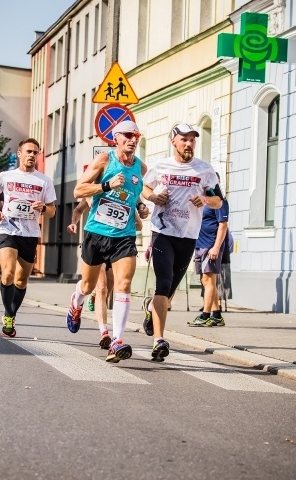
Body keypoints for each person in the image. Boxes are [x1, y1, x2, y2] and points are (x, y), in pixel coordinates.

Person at [66, 120, 146, 363]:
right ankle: (76, 301)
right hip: (96, 233)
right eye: (128, 135)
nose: (133, 140)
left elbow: (135, 194)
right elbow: (78, 191)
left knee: (122, 284)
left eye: (136, 136)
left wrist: (141, 206)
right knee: (88, 286)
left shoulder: (140, 168)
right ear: (117, 138)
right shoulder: (104, 160)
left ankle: (117, 341)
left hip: (124, 236)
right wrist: (106, 185)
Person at [141, 123, 222, 362]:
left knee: (171, 290)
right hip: (163, 232)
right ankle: (159, 341)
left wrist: (205, 200)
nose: (188, 144)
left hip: (188, 236)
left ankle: (150, 310)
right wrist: (153, 196)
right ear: (173, 141)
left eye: (192, 140)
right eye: (184, 139)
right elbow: (143, 188)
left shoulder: (205, 170)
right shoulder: (159, 166)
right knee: (163, 284)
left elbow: (219, 200)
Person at [0, 138, 56, 337]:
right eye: (28, 151)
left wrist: (43, 208)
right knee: (7, 272)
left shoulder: (44, 181)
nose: (32, 155)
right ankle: (8, 315)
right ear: (19, 153)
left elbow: (52, 211)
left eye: (35, 152)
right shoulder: (6, 176)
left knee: (21, 279)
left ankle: (11, 312)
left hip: (30, 233)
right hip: (8, 228)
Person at [67, 195, 148, 350]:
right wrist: (73, 223)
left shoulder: (128, 194)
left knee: (109, 290)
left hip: (118, 245)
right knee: (100, 288)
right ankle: (104, 332)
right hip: (97, 242)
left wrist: (132, 213)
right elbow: (78, 209)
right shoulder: (97, 190)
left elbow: (139, 225)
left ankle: (115, 337)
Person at [188, 175, 229, 327]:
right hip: (199, 244)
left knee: (208, 280)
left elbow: (223, 225)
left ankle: (205, 315)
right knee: (205, 280)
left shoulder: (219, 202)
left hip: (210, 245)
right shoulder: (203, 200)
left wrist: (216, 247)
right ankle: (216, 315)